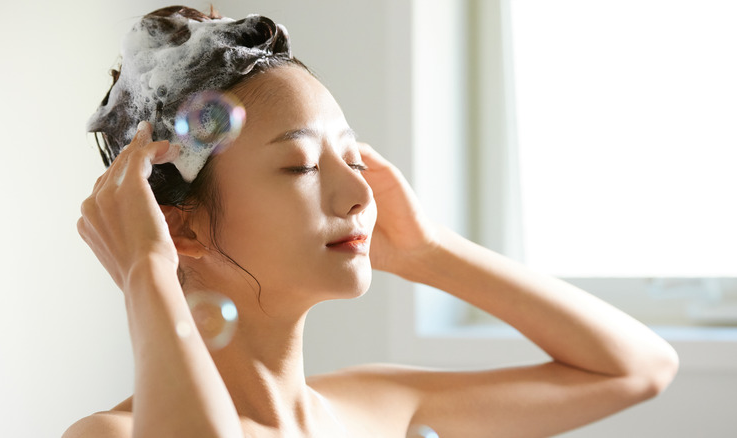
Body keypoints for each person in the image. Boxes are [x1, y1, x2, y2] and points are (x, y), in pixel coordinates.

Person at [65, 5, 678, 438]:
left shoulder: (379, 409)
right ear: (184, 229)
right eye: (301, 165)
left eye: (354, 158)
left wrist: (428, 252)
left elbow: (639, 368)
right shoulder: (110, 436)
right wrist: (147, 270)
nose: (359, 189)